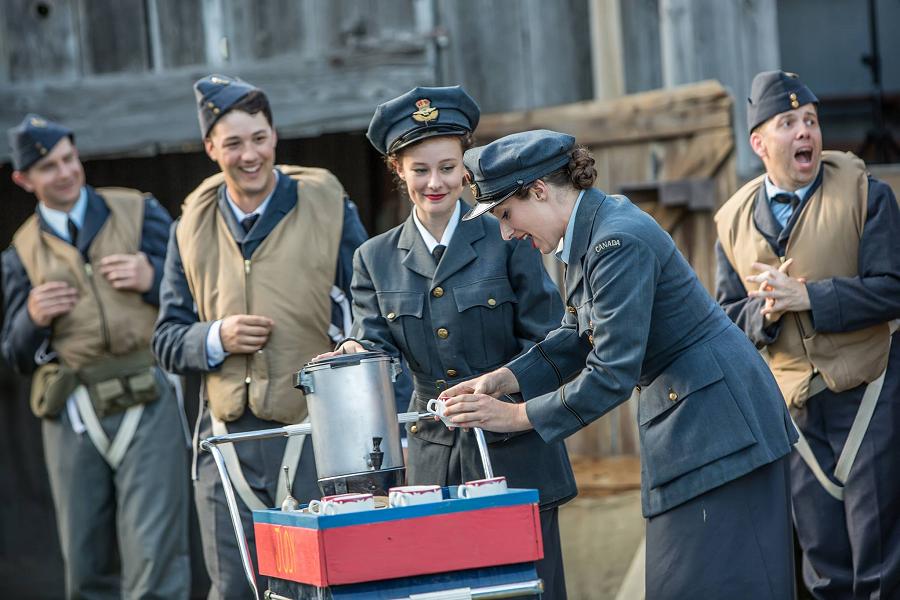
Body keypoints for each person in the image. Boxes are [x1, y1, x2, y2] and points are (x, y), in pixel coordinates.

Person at [440, 129, 799, 599]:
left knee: (717, 585)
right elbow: (575, 336)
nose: (505, 232)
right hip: (702, 426)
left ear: (540, 191)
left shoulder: (614, 242)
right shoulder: (591, 232)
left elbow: (611, 371)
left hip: (722, 430)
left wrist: (514, 416)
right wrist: (503, 378)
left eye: (507, 214)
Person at [315, 87, 576, 598]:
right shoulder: (373, 257)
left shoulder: (507, 234)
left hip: (516, 451)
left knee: (531, 589)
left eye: (448, 167)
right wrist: (353, 355)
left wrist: (506, 398)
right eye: (420, 169)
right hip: (434, 462)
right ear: (397, 170)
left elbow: (548, 337)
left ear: (466, 170)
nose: (435, 182)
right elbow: (374, 347)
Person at [151, 75, 368, 599]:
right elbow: (166, 338)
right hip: (226, 441)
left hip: (315, 433)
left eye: (260, 138)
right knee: (234, 588)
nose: (250, 155)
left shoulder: (326, 201)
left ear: (275, 136)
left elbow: (369, 303)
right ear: (210, 149)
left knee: (321, 585)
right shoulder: (190, 222)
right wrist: (216, 337)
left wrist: (351, 349)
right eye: (233, 143)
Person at [715, 70, 900, 599]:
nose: (806, 133)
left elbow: (893, 289)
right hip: (792, 409)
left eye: (811, 121)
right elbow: (726, 318)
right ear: (759, 143)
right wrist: (766, 313)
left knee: (881, 560)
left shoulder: (869, 194)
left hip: (869, 396)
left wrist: (810, 299)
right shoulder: (731, 220)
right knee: (822, 567)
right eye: (789, 122)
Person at [1, 114, 190, 599]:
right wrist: (33, 317)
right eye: (47, 167)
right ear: (24, 179)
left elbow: (195, 295)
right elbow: (16, 354)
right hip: (74, 411)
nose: (64, 172)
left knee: (156, 552)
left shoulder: (137, 210)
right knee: (86, 559)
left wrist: (152, 277)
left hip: (147, 394)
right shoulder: (19, 253)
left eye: (68, 158)